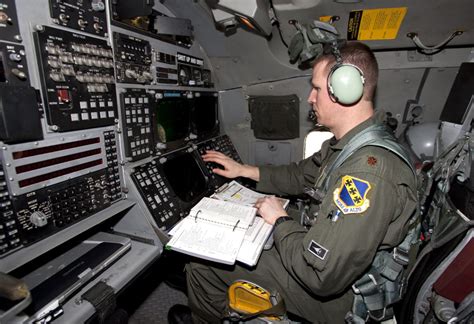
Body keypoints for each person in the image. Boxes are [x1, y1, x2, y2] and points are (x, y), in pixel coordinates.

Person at [168, 41, 418, 324]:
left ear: (345, 90)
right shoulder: (351, 144)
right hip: (332, 260)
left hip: (345, 300)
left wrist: (280, 221)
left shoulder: (368, 172)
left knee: (202, 265)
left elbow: (320, 276)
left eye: (317, 88)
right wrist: (244, 170)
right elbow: (301, 175)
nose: (311, 98)